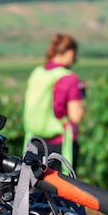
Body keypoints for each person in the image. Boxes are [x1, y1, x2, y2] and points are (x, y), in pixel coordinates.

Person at [23, 33, 85, 169]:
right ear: (70, 53)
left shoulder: (38, 73)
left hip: (35, 140)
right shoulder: (69, 78)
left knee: (36, 185)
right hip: (60, 144)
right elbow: (76, 116)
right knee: (60, 188)